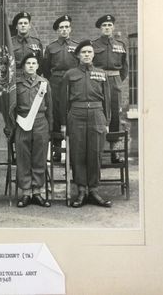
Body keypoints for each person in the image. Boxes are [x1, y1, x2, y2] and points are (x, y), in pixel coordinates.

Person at [60, 40, 112, 208]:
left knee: (95, 154)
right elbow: (63, 101)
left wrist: (107, 121)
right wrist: (63, 124)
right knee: (78, 154)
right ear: (78, 55)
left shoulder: (101, 74)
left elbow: (108, 100)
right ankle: (81, 190)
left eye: (89, 52)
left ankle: (94, 190)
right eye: (83, 52)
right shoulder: (70, 74)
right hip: (76, 115)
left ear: (93, 54)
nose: (87, 55)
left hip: (97, 115)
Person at [14, 53, 53, 208]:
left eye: (34, 63)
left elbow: (50, 108)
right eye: (28, 63)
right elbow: (12, 106)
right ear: (23, 66)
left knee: (39, 157)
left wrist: (49, 127)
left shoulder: (44, 83)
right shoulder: (16, 83)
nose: (31, 65)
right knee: (23, 157)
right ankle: (25, 193)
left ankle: (37, 191)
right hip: (22, 122)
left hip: (40, 121)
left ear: (38, 66)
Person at [92, 14, 128, 163]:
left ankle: (115, 151)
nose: (107, 28)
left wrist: (117, 81)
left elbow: (124, 68)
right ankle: (97, 152)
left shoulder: (120, 45)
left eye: (109, 25)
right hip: (98, 81)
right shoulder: (94, 45)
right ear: (100, 28)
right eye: (104, 26)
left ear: (113, 27)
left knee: (115, 116)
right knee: (98, 114)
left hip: (114, 82)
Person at [43, 15, 79, 162]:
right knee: (56, 112)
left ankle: (75, 148)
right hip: (56, 82)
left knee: (72, 110)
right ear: (57, 31)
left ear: (70, 29)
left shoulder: (77, 46)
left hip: (73, 81)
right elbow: (46, 68)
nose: (64, 30)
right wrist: (53, 80)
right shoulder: (51, 47)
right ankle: (57, 150)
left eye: (66, 27)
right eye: (61, 28)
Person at [11, 11, 43, 77]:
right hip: (15, 78)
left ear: (29, 26)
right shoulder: (10, 42)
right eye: (20, 23)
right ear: (16, 27)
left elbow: (41, 64)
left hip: (31, 78)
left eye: (25, 23)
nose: (23, 25)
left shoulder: (36, 42)